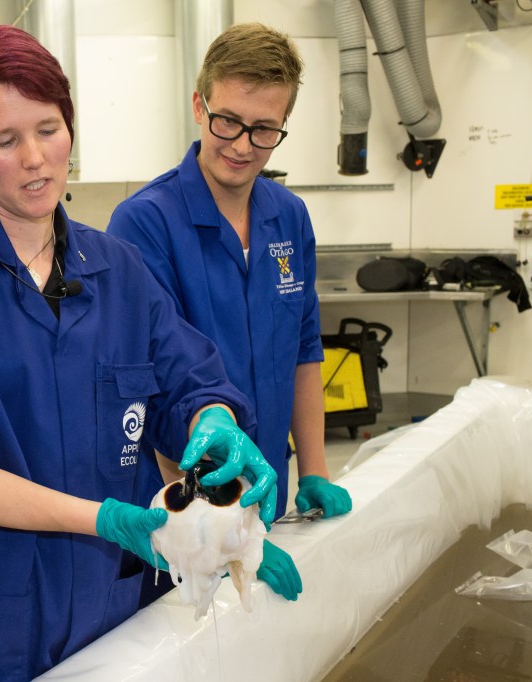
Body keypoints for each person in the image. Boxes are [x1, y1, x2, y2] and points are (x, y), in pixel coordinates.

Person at [0, 25, 277, 682]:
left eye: (48, 129)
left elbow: (185, 380)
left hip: (108, 612)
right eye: (4, 139)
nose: (33, 158)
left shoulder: (116, 269)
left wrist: (210, 421)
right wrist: (106, 520)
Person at [108, 22, 353, 600]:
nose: (243, 145)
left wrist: (314, 468)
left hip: (265, 494)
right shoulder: (144, 224)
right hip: (186, 521)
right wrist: (225, 536)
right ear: (200, 105)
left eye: (264, 129)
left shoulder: (288, 218)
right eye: (229, 121)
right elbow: (151, 389)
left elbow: (304, 349)